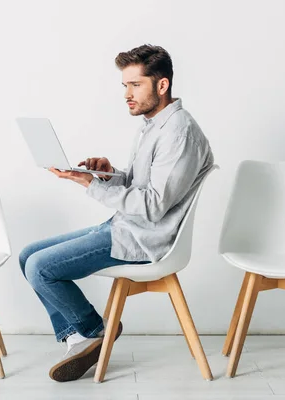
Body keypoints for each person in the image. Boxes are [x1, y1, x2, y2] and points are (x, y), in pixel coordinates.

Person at [19, 44, 214, 382]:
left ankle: (94, 332)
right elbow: (145, 185)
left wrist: (90, 185)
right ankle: (80, 339)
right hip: (127, 226)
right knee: (28, 255)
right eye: (124, 86)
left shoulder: (178, 132)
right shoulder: (155, 124)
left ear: (162, 85)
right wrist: (109, 174)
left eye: (135, 85)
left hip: (146, 240)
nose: (127, 94)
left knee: (40, 267)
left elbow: (153, 206)